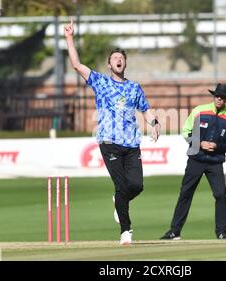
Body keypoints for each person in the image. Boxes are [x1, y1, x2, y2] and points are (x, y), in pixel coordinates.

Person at [64, 19, 161, 246]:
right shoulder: (100, 82)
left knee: (136, 186)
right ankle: (125, 231)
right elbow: (77, 65)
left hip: (131, 143)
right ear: (109, 65)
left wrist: (154, 123)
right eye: (114, 58)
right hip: (109, 141)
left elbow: (145, 110)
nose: (118, 60)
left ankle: (119, 201)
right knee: (121, 186)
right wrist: (69, 38)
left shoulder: (134, 87)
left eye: (121, 58)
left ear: (125, 64)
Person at [161, 83, 226, 240]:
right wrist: (199, 143)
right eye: (217, 96)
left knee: (220, 194)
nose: (219, 99)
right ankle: (174, 231)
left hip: (215, 162)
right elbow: (186, 132)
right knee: (186, 193)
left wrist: (218, 146)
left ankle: (221, 232)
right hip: (196, 159)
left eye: (223, 97)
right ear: (214, 96)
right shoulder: (199, 111)